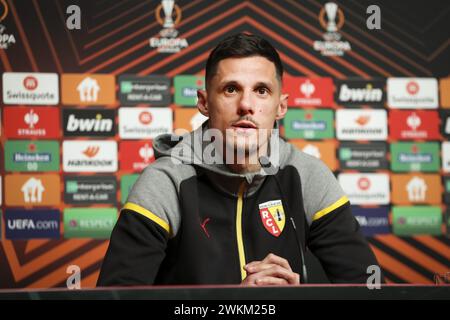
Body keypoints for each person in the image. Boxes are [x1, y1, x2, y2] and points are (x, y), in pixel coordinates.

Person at [97, 33, 382, 286]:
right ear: (204, 102)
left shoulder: (306, 176)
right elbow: (114, 299)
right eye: (231, 89)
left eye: (261, 90)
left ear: (280, 106)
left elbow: (370, 288)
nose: (246, 105)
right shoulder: (165, 183)